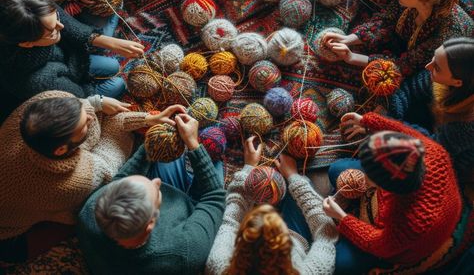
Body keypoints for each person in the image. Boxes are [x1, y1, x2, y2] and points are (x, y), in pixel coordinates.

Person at [0, 90, 185, 259]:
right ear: (61, 149)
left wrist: (97, 102)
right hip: (8, 230)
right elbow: (112, 147)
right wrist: (146, 119)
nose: (90, 118)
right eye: (84, 125)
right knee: (83, 218)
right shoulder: (73, 182)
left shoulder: (40, 105)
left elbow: (84, 104)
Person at [77, 113, 226, 275]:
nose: (156, 181)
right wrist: (193, 145)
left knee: (167, 148)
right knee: (214, 151)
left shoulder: (92, 210)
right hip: (195, 208)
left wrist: (152, 144)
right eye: (155, 192)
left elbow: (122, 178)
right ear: (150, 224)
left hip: (171, 203)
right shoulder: (184, 253)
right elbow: (215, 196)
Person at [324, 111, 463, 274]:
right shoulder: (433, 152)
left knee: (339, 263)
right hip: (414, 199)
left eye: (368, 175)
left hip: (410, 245)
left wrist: (343, 217)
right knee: (336, 170)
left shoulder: (408, 222)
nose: (364, 175)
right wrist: (367, 122)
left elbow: (378, 243)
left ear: (383, 186)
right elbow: (405, 133)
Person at [206, 136, 338, 274]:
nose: (269, 210)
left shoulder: (218, 267)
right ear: (286, 246)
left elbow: (231, 221)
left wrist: (248, 168)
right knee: (301, 177)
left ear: (240, 243)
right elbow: (326, 234)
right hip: (297, 238)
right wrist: (293, 177)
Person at [325, 0, 473, 76]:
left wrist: (352, 58)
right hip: (410, 41)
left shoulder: (445, 34)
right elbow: (386, 20)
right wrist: (349, 38)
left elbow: (405, 65)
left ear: (424, 1)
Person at [0, 0, 144, 107]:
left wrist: (109, 42)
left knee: (113, 65)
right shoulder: (35, 81)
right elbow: (79, 96)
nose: (60, 26)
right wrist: (96, 102)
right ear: (27, 44)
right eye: (52, 31)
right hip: (71, 88)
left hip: (72, 60)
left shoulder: (21, 2)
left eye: (56, 17)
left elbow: (64, 22)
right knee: (118, 84)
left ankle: (109, 26)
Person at [389, 37, 474, 182]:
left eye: (437, 67)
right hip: (436, 130)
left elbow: (433, 149)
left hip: (451, 161)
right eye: (433, 58)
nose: (428, 66)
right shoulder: (443, 76)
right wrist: (393, 118)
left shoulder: (467, 124)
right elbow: (408, 89)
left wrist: (388, 125)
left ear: (457, 82)